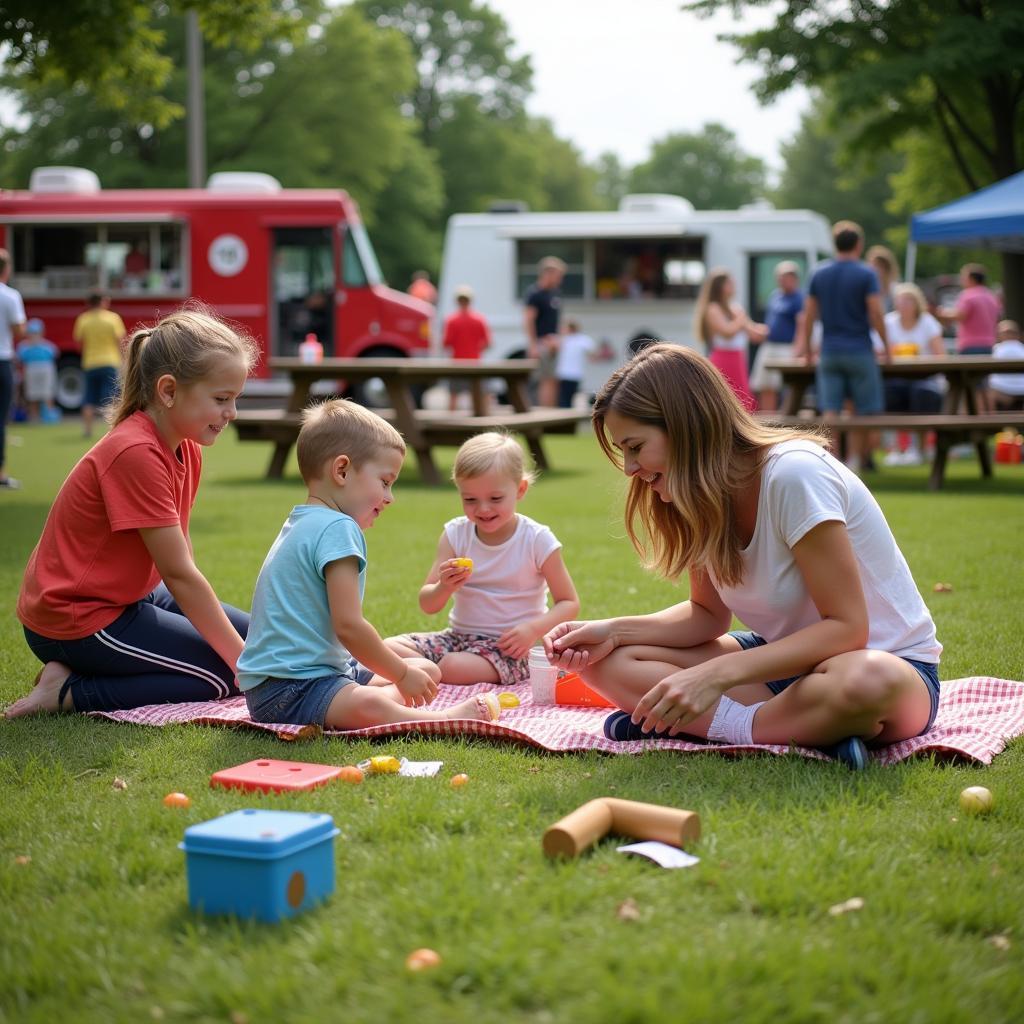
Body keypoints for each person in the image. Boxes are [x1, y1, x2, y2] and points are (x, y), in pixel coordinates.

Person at [542, 344, 942, 770]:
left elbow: (847, 630)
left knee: (864, 684)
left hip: (888, 667)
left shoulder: (794, 474)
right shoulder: (694, 495)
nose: (629, 468)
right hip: (781, 663)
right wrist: (614, 631)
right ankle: (806, 734)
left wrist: (712, 678)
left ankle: (711, 727)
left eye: (636, 447)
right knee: (604, 661)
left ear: (686, 426)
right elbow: (706, 616)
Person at [6, 308, 256, 719]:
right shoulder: (135, 451)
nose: (231, 413)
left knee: (255, 640)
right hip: (78, 617)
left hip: (130, 597)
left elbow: (179, 566)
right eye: (221, 399)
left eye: (235, 399)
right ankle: (66, 691)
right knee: (217, 676)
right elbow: (179, 573)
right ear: (169, 391)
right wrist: (240, 661)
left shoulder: (186, 446)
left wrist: (244, 649)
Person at [237, 399, 501, 729]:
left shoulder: (302, 520)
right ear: (342, 470)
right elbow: (349, 626)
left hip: (303, 678)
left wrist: (404, 673)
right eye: (385, 482)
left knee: (427, 670)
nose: (390, 497)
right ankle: (442, 718)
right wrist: (400, 674)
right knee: (373, 701)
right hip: (291, 690)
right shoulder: (338, 528)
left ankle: (386, 696)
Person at [386, 432, 580, 686]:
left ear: (520, 489)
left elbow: (569, 603)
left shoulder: (536, 539)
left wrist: (532, 629)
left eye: (495, 499)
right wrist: (445, 586)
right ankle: (419, 671)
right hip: (457, 638)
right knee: (388, 648)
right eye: (470, 500)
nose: (483, 509)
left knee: (452, 666)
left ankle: (419, 673)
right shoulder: (456, 534)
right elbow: (428, 604)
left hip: (510, 648)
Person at [795, 220, 890, 473]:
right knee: (861, 410)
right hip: (860, 349)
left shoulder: (819, 273)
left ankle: (831, 464)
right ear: (858, 244)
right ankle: (855, 462)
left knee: (830, 410)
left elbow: (809, 314)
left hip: (829, 350)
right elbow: (875, 312)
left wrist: (806, 350)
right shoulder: (866, 273)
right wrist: (887, 346)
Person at [881, 284, 946, 466]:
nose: (904, 305)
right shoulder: (888, 322)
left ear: (917, 303)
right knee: (888, 395)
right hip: (896, 376)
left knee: (923, 395)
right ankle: (894, 448)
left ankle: (917, 447)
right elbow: (879, 351)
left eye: (908, 301)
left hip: (924, 377)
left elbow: (940, 355)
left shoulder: (928, 322)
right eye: (901, 301)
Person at [694, 268, 767, 412]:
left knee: (743, 400)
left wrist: (767, 330)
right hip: (723, 359)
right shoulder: (712, 308)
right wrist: (741, 320)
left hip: (737, 359)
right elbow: (727, 332)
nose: (733, 286)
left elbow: (754, 333)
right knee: (724, 399)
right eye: (729, 283)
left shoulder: (734, 309)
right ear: (719, 286)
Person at [938, 263, 1002, 413]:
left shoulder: (968, 295)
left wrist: (942, 313)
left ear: (971, 279)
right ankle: (990, 419)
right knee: (985, 384)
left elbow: (960, 315)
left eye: (963, 277)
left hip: (970, 346)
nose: (961, 280)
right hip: (989, 344)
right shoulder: (991, 296)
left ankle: (974, 422)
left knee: (971, 387)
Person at [749, 261, 805, 412]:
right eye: (779, 277)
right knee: (766, 385)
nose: (781, 280)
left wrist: (798, 349)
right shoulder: (775, 296)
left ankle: (785, 420)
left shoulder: (799, 298)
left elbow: (802, 324)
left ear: (794, 278)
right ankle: (769, 420)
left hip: (787, 347)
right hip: (769, 346)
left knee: (787, 387)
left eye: (785, 277)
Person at [73, 292, 126, 437]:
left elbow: (78, 344)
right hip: (110, 362)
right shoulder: (113, 318)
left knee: (89, 398)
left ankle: (88, 431)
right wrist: (123, 360)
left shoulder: (83, 319)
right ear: (103, 301)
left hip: (90, 363)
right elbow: (120, 341)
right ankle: (111, 431)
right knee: (110, 399)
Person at [524, 256, 566, 408]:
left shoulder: (555, 294)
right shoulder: (535, 294)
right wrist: (533, 344)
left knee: (552, 380)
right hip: (541, 343)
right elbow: (529, 320)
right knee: (541, 380)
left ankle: (550, 413)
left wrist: (558, 340)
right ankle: (541, 413)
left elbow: (557, 321)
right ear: (547, 273)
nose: (560, 279)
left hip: (553, 344)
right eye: (558, 275)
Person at [0, 248, 26, 489]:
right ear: (6, 269)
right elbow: (19, 330)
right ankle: (1, 474)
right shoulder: (10, 296)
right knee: (0, 419)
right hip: (2, 360)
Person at [442, 285, 491, 412]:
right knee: (480, 396)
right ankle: (481, 422)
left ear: (457, 301)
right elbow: (487, 343)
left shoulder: (452, 320)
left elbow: (446, 343)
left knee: (453, 395)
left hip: (457, 364)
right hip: (475, 364)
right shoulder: (479, 319)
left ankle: (450, 424)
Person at [16, 318, 60, 423]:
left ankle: (49, 418)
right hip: (31, 370)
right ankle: (34, 417)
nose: (34, 335)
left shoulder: (47, 346)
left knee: (47, 394)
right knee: (32, 395)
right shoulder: (24, 346)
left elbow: (54, 354)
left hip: (45, 369)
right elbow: (20, 358)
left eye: (36, 333)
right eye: (32, 333)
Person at [554, 319, 602, 408]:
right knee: (570, 397)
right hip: (576, 374)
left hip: (564, 374)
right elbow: (593, 354)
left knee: (564, 399)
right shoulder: (583, 340)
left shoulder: (563, 340)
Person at [989, 319, 1024, 411]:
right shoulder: (1022, 348)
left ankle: (990, 422)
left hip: (999, 392)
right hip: (1020, 391)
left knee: (983, 390)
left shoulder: (996, 349)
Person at [866, 245, 899, 314]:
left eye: (879, 266)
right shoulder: (865, 288)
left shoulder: (895, 290)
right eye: (873, 265)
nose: (875, 270)